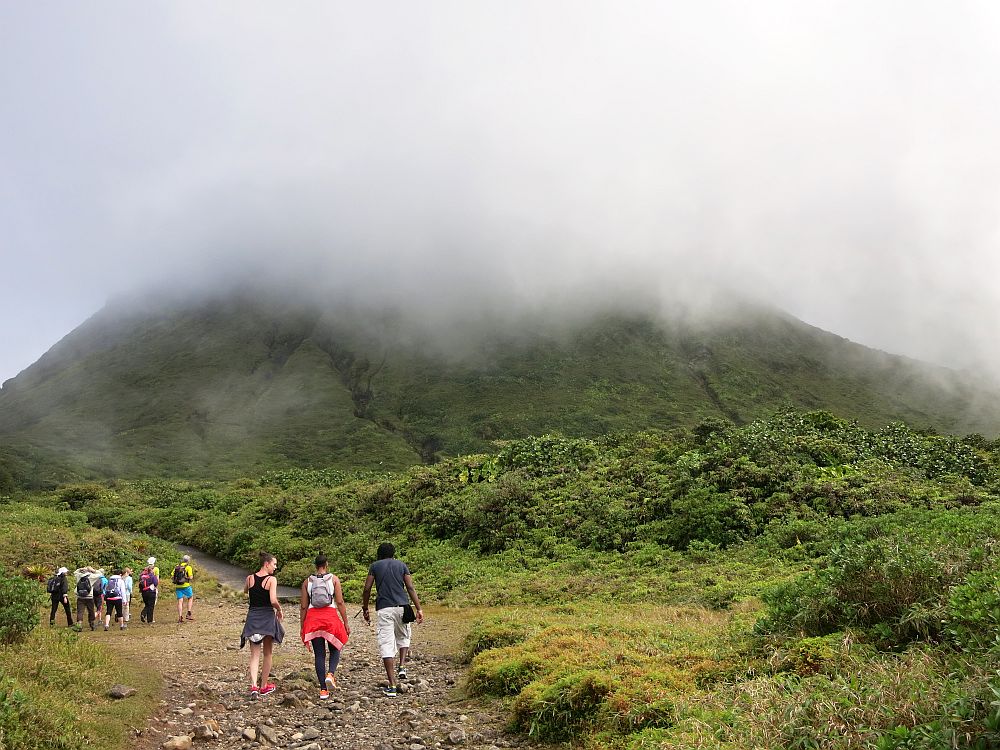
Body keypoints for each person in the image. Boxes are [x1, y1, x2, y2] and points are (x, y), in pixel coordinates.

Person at [361, 542, 423, 698]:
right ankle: (402, 666)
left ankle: (392, 685)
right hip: (403, 607)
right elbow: (410, 587)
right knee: (403, 636)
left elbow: (367, 588)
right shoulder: (401, 565)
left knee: (387, 645)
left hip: (385, 609)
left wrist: (365, 607)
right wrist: (419, 608)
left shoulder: (375, 566)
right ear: (393, 553)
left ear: (379, 554)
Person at [300, 555, 351, 700]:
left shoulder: (307, 582)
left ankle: (323, 690)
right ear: (326, 564)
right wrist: (345, 622)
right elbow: (340, 602)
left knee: (319, 655)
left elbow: (304, 606)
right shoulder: (334, 579)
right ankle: (331, 674)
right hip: (330, 617)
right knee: (335, 648)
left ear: (315, 565)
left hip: (313, 619)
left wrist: (302, 625)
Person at [241, 552, 284, 701]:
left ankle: (253, 686)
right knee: (268, 653)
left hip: (253, 616)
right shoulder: (271, 580)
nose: (275, 567)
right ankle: (264, 685)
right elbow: (272, 600)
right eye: (274, 564)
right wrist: (279, 609)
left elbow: (245, 591)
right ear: (267, 564)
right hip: (267, 616)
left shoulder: (249, 578)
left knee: (254, 654)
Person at [73, 566, 99, 631]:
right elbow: (100, 574)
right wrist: (93, 570)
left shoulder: (79, 576)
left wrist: (80, 569)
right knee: (91, 611)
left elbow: (75, 572)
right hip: (89, 597)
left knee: (80, 611)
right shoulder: (91, 577)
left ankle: (79, 625)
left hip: (80, 596)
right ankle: (92, 624)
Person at [173, 554, 195, 622]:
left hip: (178, 586)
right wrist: (186, 578)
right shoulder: (188, 567)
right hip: (186, 586)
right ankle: (188, 613)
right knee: (190, 597)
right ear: (188, 561)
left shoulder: (177, 567)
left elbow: (172, 576)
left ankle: (180, 617)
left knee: (180, 601)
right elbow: (191, 577)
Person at [138, 559, 159, 624]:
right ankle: (150, 620)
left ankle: (143, 614)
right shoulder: (152, 576)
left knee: (147, 604)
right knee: (151, 606)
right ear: (151, 570)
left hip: (144, 592)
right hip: (151, 592)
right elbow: (156, 583)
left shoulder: (142, 576)